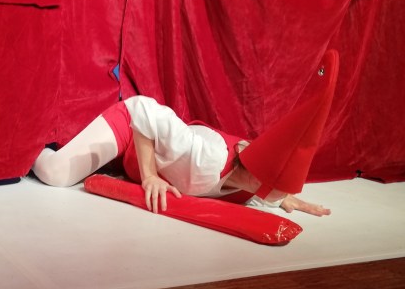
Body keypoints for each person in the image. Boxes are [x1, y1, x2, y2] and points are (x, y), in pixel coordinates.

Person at [33, 50, 339, 218]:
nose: (279, 196)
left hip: (142, 157)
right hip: (132, 128)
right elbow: (144, 111)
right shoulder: (206, 156)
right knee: (56, 173)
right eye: (277, 188)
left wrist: (282, 197)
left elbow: (272, 181)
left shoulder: (257, 190)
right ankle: (23, 144)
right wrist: (149, 175)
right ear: (256, 176)